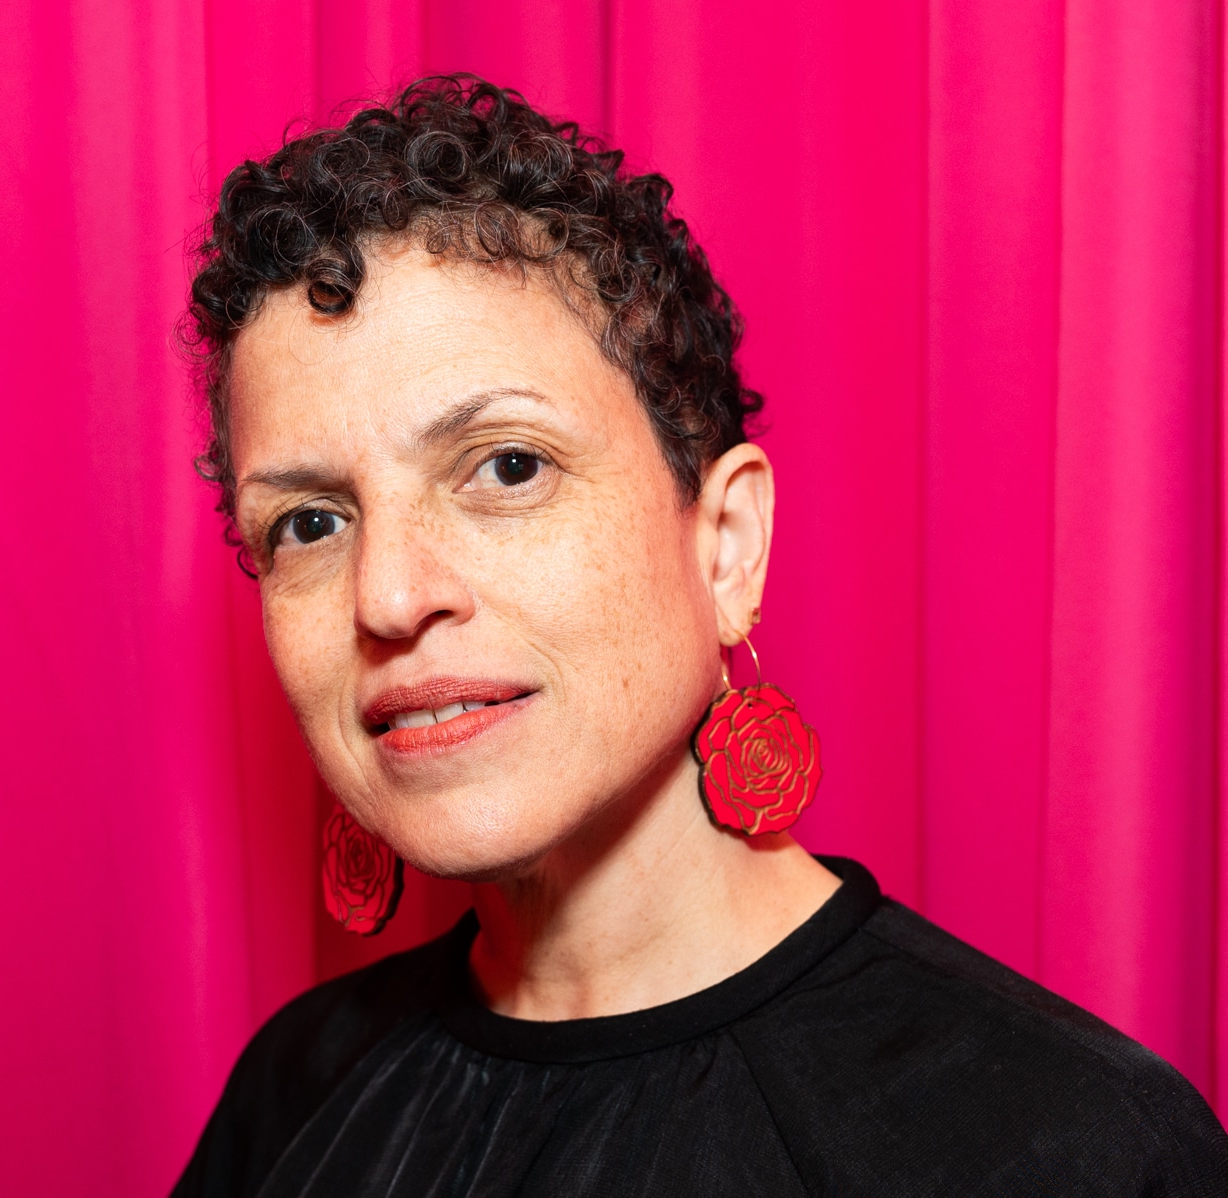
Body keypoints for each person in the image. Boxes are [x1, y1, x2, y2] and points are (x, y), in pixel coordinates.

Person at [172, 76, 1228, 1197]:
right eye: (310, 522)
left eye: (508, 466)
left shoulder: (1063, 1147)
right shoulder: (295, 1093)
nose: (387, 596)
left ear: (725, 546)